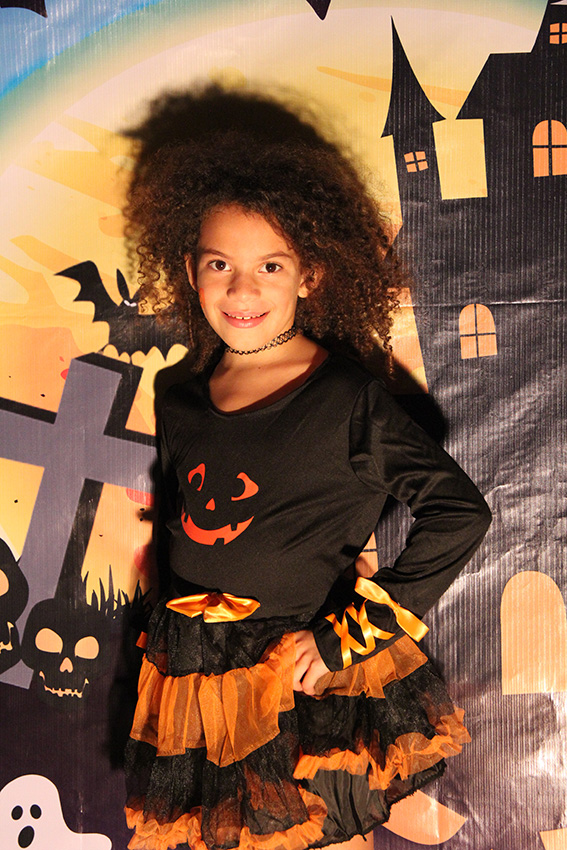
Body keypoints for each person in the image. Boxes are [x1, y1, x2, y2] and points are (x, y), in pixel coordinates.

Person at [122, 117, 491, 850]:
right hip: (198, 682)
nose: (241, 288)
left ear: (309, 274)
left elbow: (458, 513)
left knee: (317, 834)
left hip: (300, 679)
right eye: (220, 264)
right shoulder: (180, 397)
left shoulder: (344, 398)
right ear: (190, 270)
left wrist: (345, 637)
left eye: (270, 265)